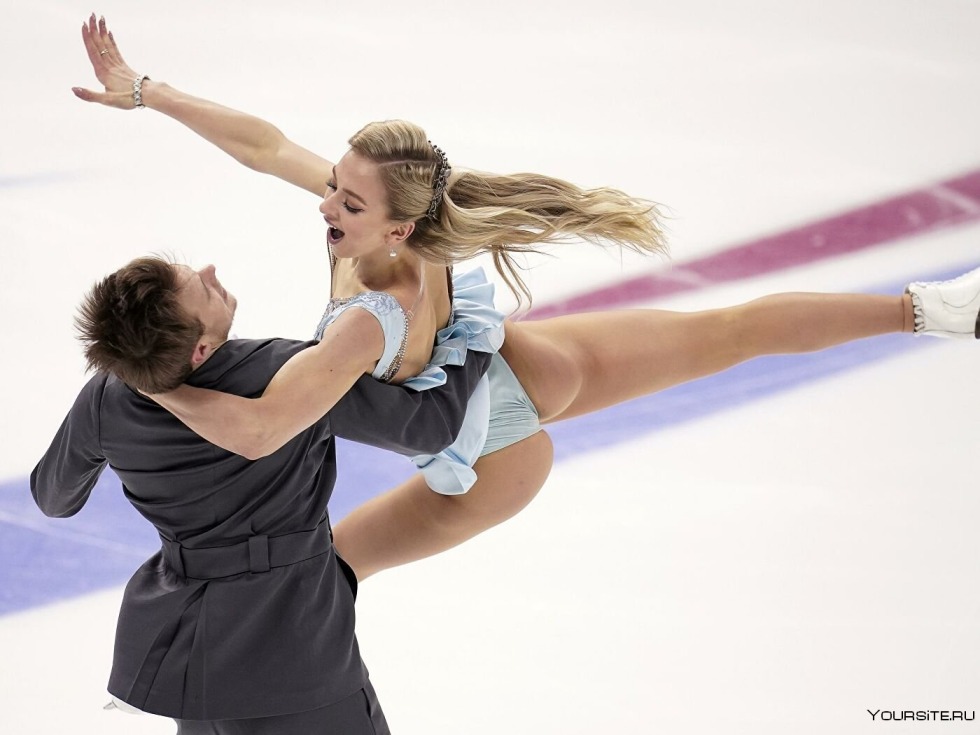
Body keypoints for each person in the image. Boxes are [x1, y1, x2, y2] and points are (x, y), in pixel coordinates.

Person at [73, 15, 980, 584]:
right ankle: (929, 310)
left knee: (326, 573)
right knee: (730, 331)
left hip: (492, 455)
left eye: (347, 200)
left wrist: (148, 388)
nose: (325, 204)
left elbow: (267, 430)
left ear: (393, 229)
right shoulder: (410, 229)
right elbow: (272, 148)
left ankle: (222, 680)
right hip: (518, 366)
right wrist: (149, 92)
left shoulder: (362, 316)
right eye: (335, 187)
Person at [31, 255, 491, 733]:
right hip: (295, 645)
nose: (211, 271)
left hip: (190, 659)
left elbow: (53, 498)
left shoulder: (108, 396)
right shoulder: (279, 374)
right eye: (202, 289)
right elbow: (427, 426)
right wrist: (474, 334)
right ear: (201, 349)